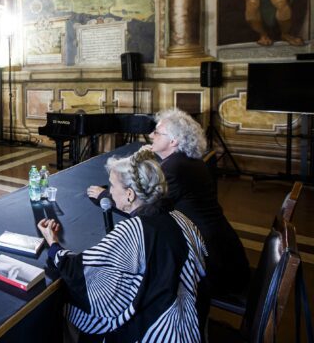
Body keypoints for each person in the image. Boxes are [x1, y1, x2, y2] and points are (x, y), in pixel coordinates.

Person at [38, 148, 208, 341]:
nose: (109, 191)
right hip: (191, 322)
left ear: (129, 194)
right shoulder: (182, 219)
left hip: (157, 332)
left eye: (111, 185)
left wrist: (53, 243)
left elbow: (81, 272)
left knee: (69, 303)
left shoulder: (133, 230)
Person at [89, 108, 250, 297]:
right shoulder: (188, 161)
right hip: (223, 248)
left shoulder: (173, 169)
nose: (151, 135)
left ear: (173, 141)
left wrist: (104, 196)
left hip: (212, 263)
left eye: (157, 132)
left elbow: (145, 209)